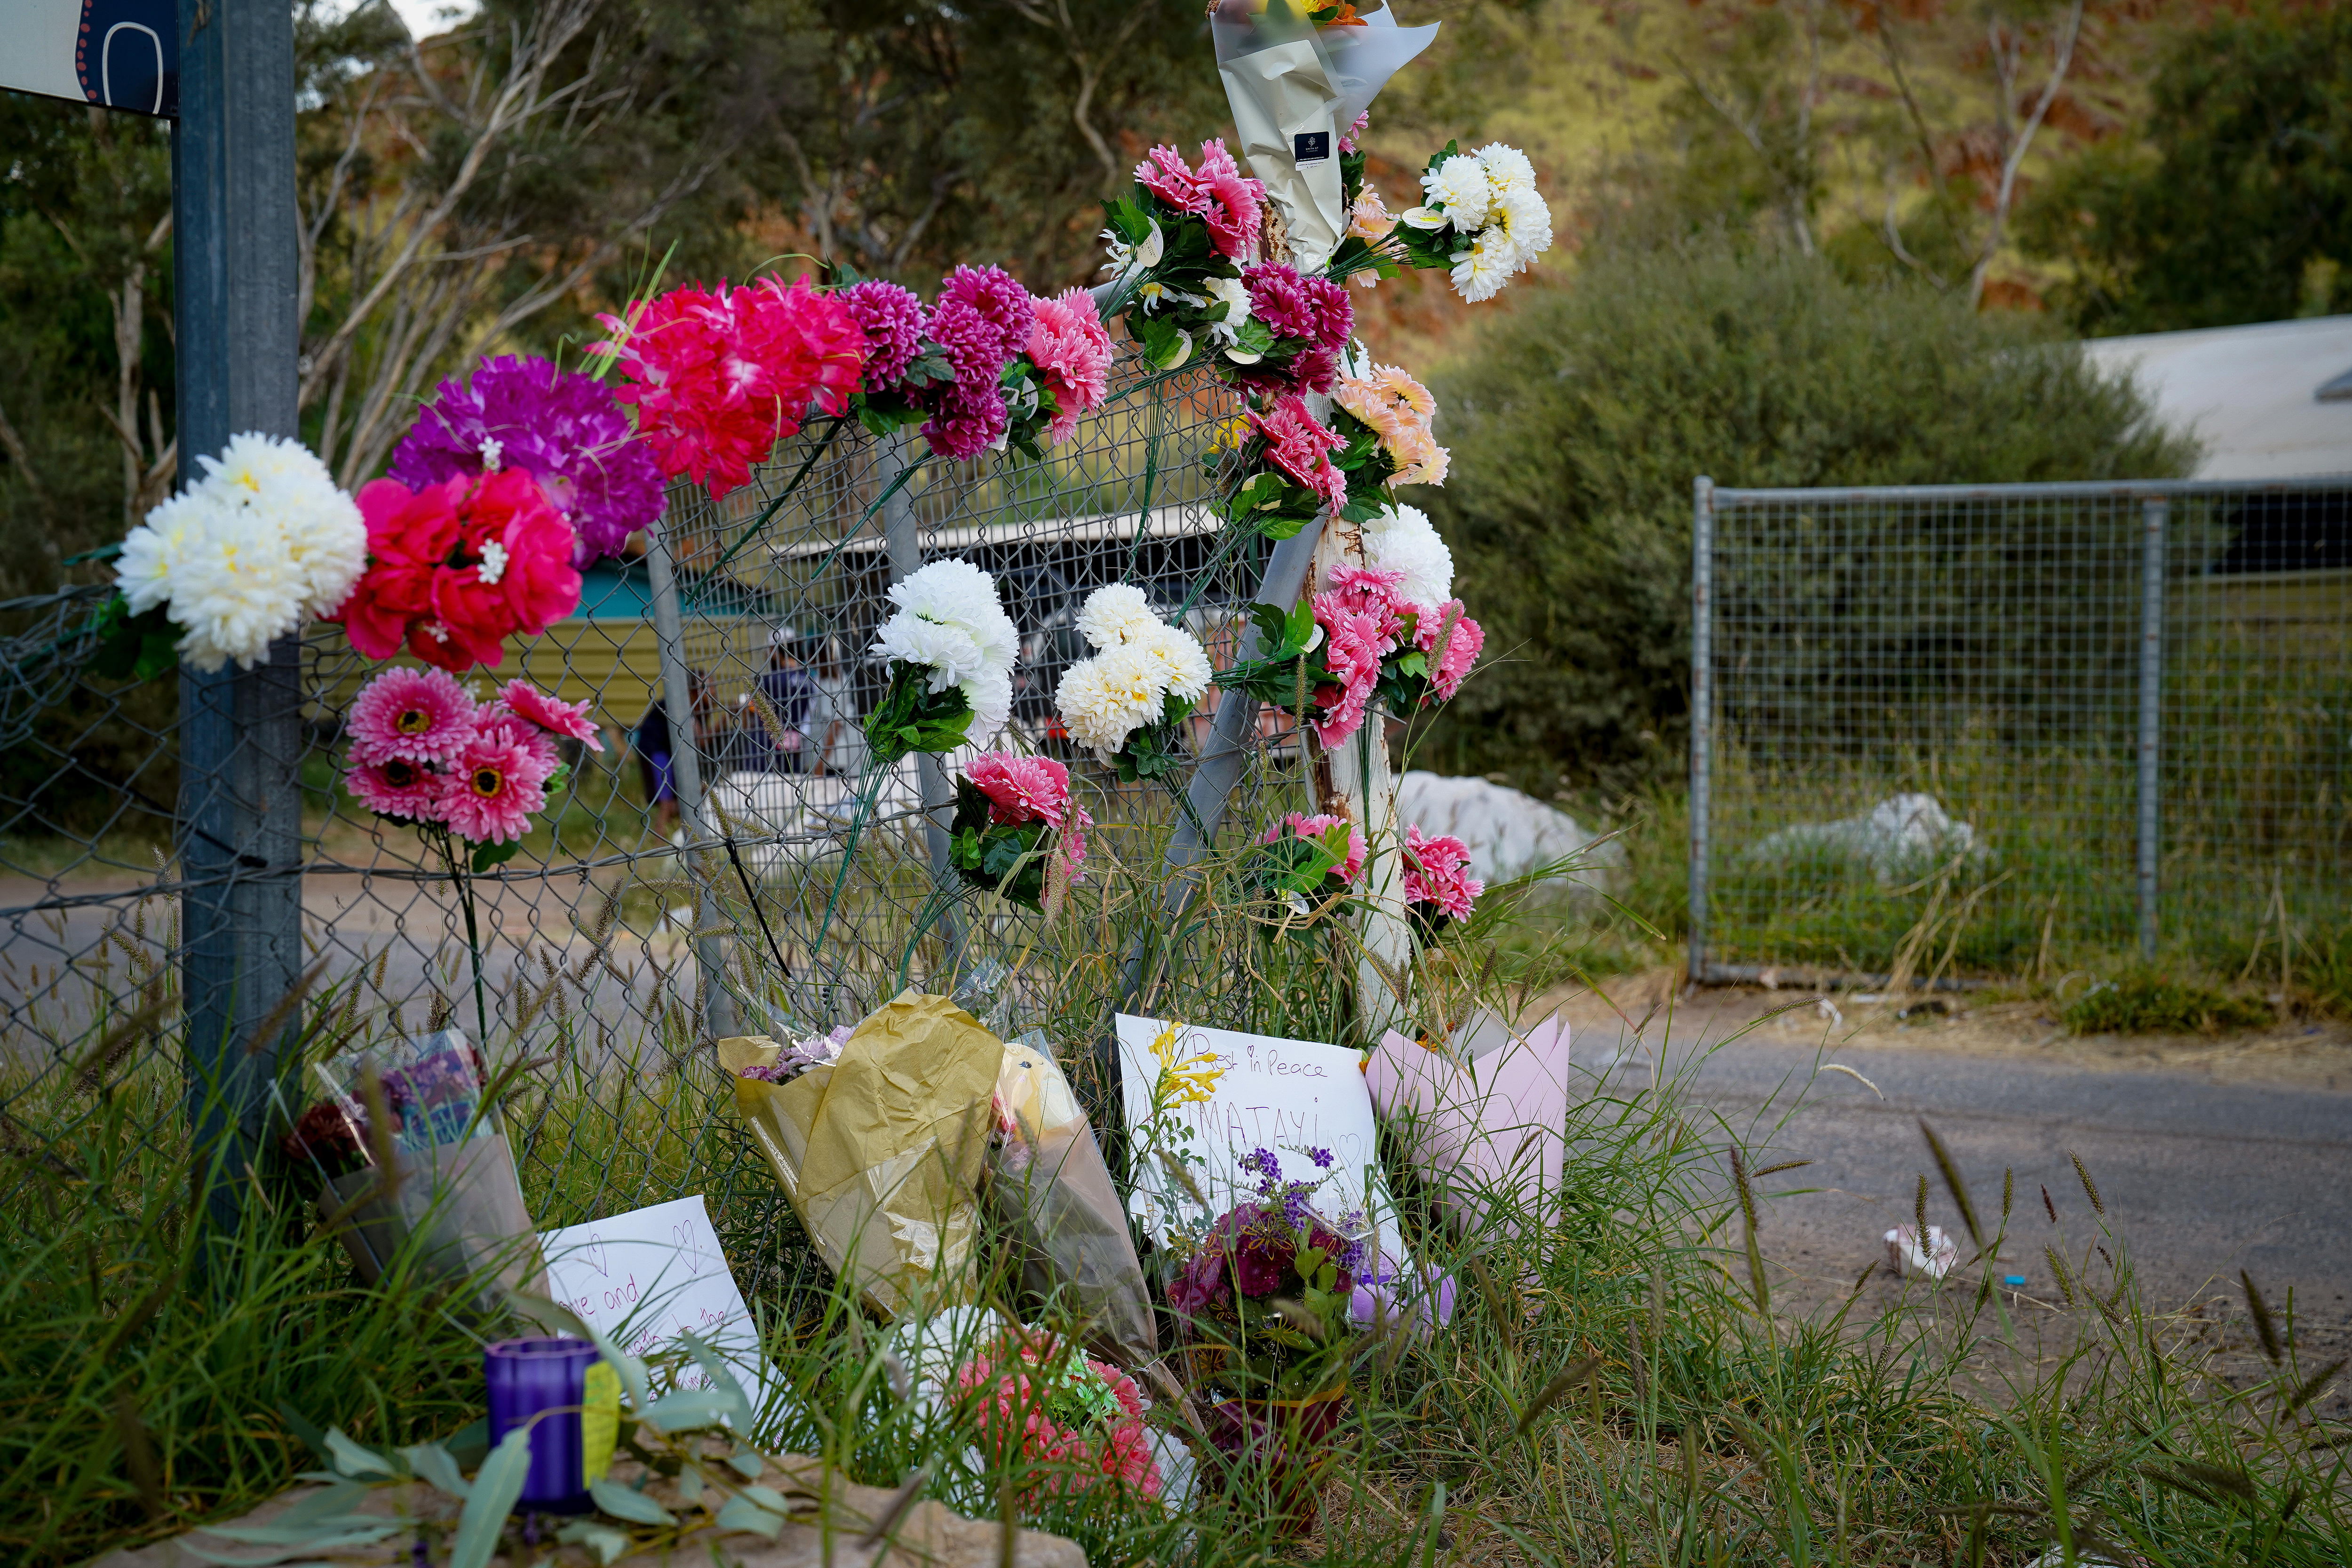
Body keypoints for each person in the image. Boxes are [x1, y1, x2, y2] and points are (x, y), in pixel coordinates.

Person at [632, 672, 713, 836]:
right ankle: (660, 843)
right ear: (692, 691)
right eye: (707, 688)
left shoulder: (699, 707)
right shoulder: (682, 705)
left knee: (678, 802)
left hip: (671, 753)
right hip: (656, 751)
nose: (713, 692)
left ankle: (677, 836)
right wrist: (726, 719)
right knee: (667, 803)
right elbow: (701, 740)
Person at [756, 628, 817, 774]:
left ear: (774, 651)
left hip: (770, 744)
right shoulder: (808, 678)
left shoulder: (771, 680)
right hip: (798, 741)